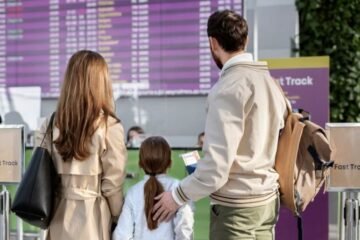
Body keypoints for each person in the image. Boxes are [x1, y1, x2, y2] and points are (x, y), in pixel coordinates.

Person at [153, 10, 287, 240]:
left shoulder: (227, 89)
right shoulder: (271, 83)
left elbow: (215, 169)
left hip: (237, 211)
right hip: (267, 203)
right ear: (245, 41)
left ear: (213, 43)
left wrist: (176, 196)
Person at [37, 50, 127, 240]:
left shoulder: (49, 123)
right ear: (100, 83)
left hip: (57, 218)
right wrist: (119, 218)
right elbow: (112, 186)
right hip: (92, 220)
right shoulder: (109, 126)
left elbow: (42, 172)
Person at [113, 136, 194, 240]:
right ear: (169, 162)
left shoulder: (133, 192)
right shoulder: (179, 189)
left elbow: (121, 236)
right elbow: (184, 231)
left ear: (140, 164)